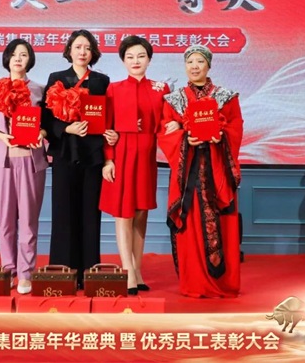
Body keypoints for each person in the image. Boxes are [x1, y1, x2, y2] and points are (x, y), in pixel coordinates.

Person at [158, 44, 243, 298]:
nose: (194, 66)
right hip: (188, 173)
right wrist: (185, 138)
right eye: (190, 62)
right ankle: (194, 282)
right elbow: (165, 132)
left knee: (222, 223)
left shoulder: (226, 97)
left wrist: (220, 136)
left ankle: (223, 284)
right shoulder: (173, 100)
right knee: (191, 225)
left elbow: (236, 128)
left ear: (209, 65)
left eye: (200, 61)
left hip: (217, 170)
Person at [99, 36, 175, 295]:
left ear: (149, 59)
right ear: (123, 60)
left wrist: (176, 124)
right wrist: (108, 159)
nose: (135, 61)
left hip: (147, 156)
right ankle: (127, 271)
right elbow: (107, 126)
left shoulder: (161, 88)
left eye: (141, 56)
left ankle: (138, 269)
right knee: (123, 213)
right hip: (121, 155)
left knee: (141, 212)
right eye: (130, 57)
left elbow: (166, 122)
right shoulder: (114, 89)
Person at [42, 29, 117, 289]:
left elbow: (109, 116)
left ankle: (89, 272)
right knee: (63, 212)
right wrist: (67, 129)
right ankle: (63, 272)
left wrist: (112, 133)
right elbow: (46, 118)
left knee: (90, 214)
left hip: (92, 154)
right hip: (65, 153)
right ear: (69, 51)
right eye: (78, 47)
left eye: (87, 47)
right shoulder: (57, 78)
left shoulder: (101, 81)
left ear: (93, 52)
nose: (82, 52)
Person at [0, 38, 47, 295]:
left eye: (24, 54)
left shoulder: (40, 90)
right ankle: (9, 270)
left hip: (31, 161)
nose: (18, 58)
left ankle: (26, 273)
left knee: (28, 220)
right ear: (7, 58)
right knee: (5, 220)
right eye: (14, 54)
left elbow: (48, 125)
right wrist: (0, 136)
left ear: (30, 60)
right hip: (1, 161)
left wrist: (41, 133)